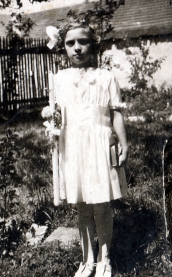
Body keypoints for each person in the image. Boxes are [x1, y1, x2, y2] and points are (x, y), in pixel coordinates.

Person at [42, 16, 128, 277]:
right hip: (74, 146)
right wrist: (49, 118)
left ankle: (105, 257)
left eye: (83, 42)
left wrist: (124, 142)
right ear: (63, 48)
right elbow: (56, 114)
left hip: (100, 144)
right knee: (82, 204)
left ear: (94, 45)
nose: (77, 48)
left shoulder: (106, 77)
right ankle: (87, 258)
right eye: (70, 43)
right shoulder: (59, 79)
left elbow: (116, 113)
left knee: (101, 202)